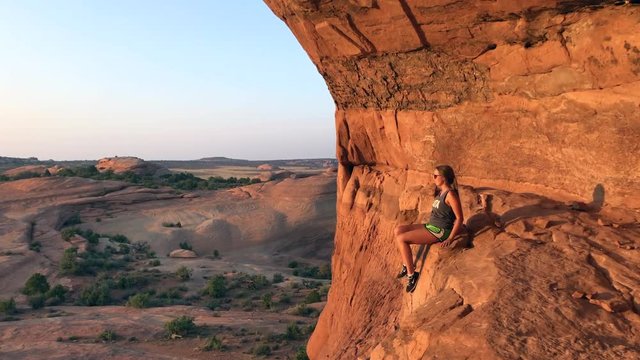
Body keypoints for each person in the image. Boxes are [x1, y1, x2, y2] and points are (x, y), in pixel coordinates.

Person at [394, 165, 464, 293]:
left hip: (440, 231)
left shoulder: (450, 195)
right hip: (431, 226)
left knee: (402, 239)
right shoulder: (440, 192)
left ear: (443, 178)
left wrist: (450, 237)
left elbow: (460, 218)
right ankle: (406, 265)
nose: (433, 178)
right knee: (398, 230)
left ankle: (412, 276)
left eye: (435, 176)